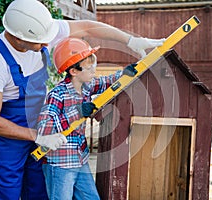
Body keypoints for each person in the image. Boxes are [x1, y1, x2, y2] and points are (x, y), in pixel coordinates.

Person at [0, 0, 165, 199]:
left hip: (42, 122)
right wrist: (38, 135)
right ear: (18, 37)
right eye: (41, 42)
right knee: (8, 192)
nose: (47, 44)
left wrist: (131, 41)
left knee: (39, 189)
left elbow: (87, 27)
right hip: (10, 137)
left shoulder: (41, 29)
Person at [37, 37, 138, 200]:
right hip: (60, 164)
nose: (93, 72)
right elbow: (44, 128)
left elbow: (105, 82)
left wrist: (123, 74)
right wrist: (76, 112)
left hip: (80, 159)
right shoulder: (57, 95)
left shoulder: (86, 87)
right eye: (89, 68)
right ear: (74, 71)